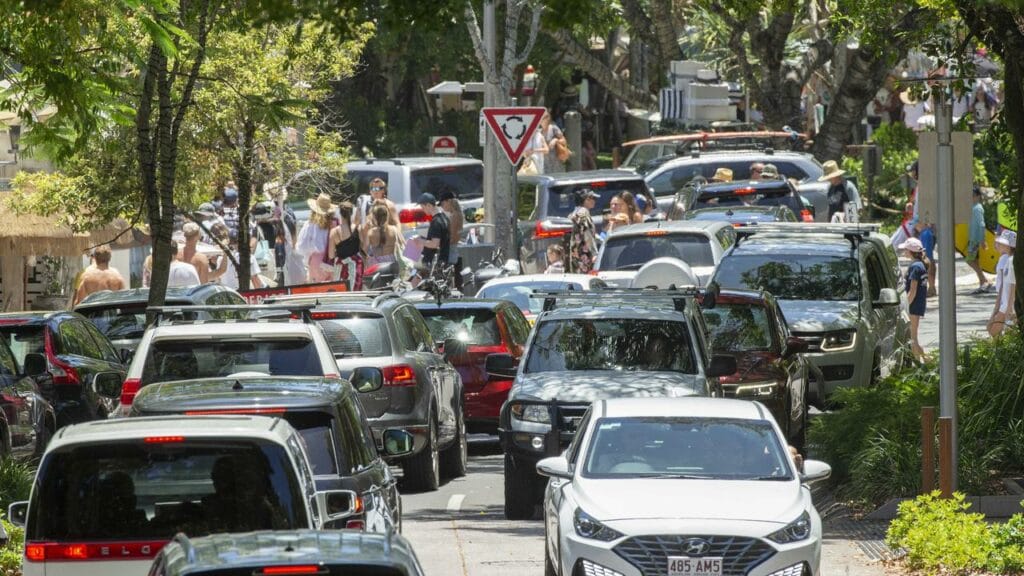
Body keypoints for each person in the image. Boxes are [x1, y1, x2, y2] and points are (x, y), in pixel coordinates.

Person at [899, 237, 929, 362]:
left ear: (910, 251)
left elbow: (913, 290)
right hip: (918, 305)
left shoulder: (915, 267)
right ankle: (925, 362)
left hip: (913, 306)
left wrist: (905, 307)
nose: (903, 252)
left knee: (913, 339)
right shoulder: (920, 265)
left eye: (905, 250)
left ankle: (925, 363)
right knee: (913, 339)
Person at [296, 193, 336, 283]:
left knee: (317, 289)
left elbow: (302, 246)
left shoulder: (310, 224)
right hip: (333, 260)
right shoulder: (334, 223)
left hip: (316, 260)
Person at [410, 193, 450, 277]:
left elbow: (435, 244)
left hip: (433, 263)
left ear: (428, 205)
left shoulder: (436, 222)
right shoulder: (445, 218)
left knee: (414, 279)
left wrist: (420, 241)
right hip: (443, 259)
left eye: (423, 207)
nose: (423, 210)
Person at [328, 201, 362, 291]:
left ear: (339, 213)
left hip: (340, 267)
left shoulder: (334, 232)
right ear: (351, 213)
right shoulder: (357, 228)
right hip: (355, 266)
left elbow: (331, 255)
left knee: (340, 293)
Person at [988, 230, 1017, 337]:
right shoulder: (1008, 259)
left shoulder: (1007, 260)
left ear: (1009, 246)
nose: (998, 245)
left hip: (1007, 303)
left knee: (993, 331)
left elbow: (1011, 285)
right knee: (997, 331)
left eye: (1001, 243)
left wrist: (1006, 306)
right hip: (1006, 302)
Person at [967, 186, 992, 294]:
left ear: (977, 196)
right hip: (974, 238)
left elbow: (982, 225)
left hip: (975, 239)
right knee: (974, 260)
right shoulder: (975, 207)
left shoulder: (977, 208)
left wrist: (982, 240)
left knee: (970, 260)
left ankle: (984, 279)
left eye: (972, 195)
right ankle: (982, 281)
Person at [568, 189, 599, 273]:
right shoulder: (583, 212)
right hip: (585, 255)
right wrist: (594, 253)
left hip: (577, 253)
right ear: (587, 199)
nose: (595, 201)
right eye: (593, 199)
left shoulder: (576, 211)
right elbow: (587, 233)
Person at [363, 203, 401, 270]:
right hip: (391, 263)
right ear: (387, 216)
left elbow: (364, 251)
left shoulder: (371, 232)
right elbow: (403, 244)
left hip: (376, 265)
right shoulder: (394, 229)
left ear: (374, 217)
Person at [440, 190, 465, 290]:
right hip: (454, 247)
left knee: (450, 276)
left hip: (451, 248)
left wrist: (443, 244)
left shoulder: (454, 216)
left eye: (442, 203)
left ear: (448, 201)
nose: (442, 206)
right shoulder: (457, 214)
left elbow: (453, 235)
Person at [917, 219, 937, 298]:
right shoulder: (925, 232)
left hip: (927, 255)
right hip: (928, 255)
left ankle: (931, 288)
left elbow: (927, 250)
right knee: (930, 267)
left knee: (929, 269)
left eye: (916, 224)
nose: (915, 227)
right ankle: (932, 288)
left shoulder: (926, 233)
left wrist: (924, 258)